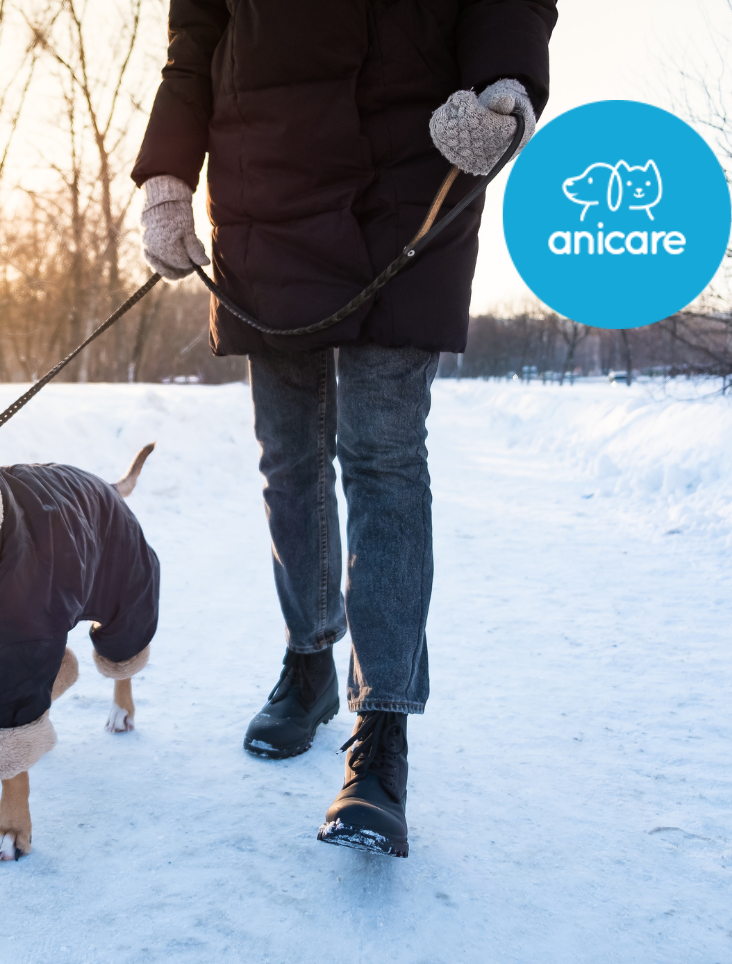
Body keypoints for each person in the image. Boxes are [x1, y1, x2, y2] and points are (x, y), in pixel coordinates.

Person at [133, 0, 557, 857]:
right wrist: (168, 177)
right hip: (265, 175)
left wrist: (505, 89)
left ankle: (383, 734)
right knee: (288, 454)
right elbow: (194, 42)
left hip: (411, 163)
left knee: (382, 454)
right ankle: (308, 659)